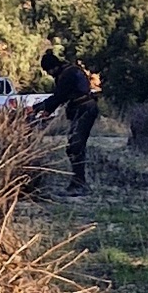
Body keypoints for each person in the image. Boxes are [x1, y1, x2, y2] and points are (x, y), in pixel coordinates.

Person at [43, 50, 100, 193]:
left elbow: (59, 96)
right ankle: (78, 183)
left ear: (53, 67)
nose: (50, 74)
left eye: (49, 71)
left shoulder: (67, 74)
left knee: (76, 146)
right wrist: (46, 110)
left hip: (84, 110)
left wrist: (39, 108)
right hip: (84, 109)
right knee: (74, 147)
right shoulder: (71, 71)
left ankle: (80, 185)